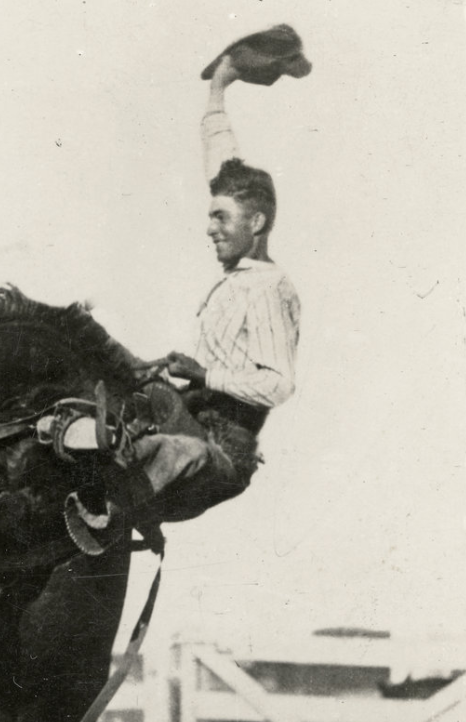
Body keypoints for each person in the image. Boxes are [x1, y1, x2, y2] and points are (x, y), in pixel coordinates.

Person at [111, 24, 310, 524]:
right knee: (97, 357)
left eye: (221, 218)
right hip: (189, 417)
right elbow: (221, 163)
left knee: (145, 452)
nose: (209, 228)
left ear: (256, 223)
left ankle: (95, 517)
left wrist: (205, 375)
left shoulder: (269, 287)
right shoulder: (241, 268)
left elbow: (279, 385)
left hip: (220, 452)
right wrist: (220, 86)